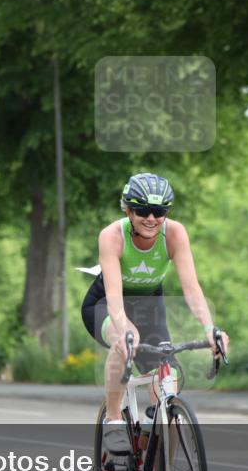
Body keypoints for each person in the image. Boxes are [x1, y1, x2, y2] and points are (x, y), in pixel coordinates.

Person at [81, 172, 229, 454]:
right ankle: (114, 421)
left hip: (150, 307)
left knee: (167, 385)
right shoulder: (112, 236)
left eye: (159, 211)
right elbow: (114, 295)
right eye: (142, 211)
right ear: (128, 209)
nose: (151, 218)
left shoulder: (174, 233)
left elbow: (191, 288)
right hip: (105, 305)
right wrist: (123, 329)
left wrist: (210, 328)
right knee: (125, 341)